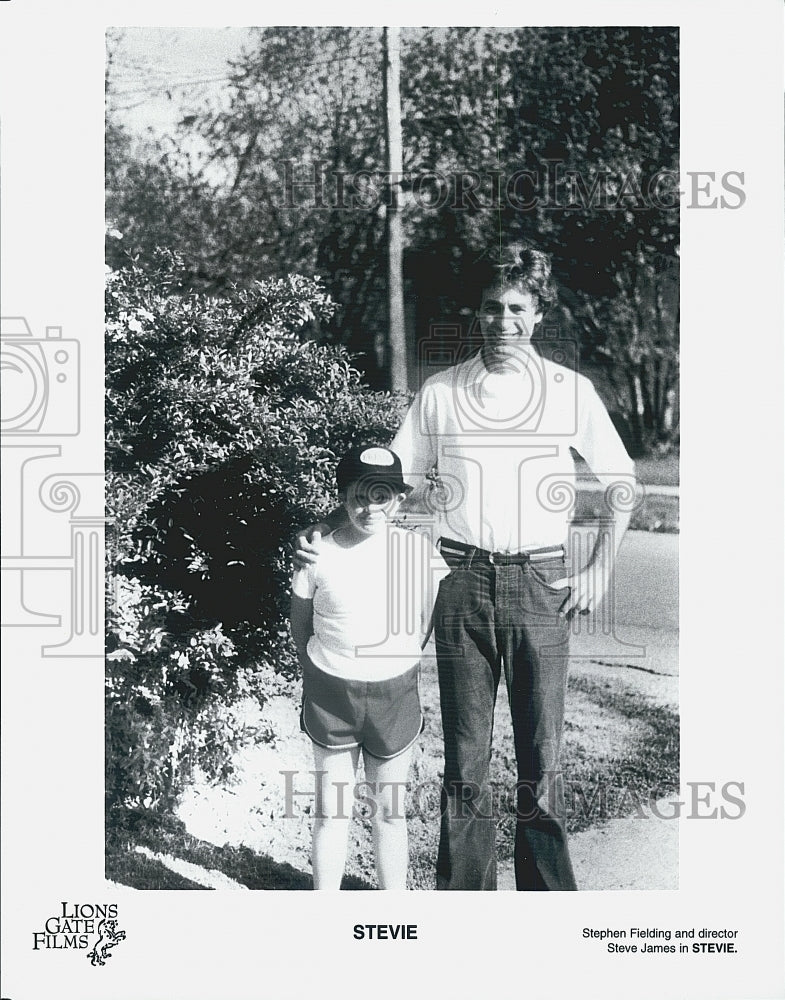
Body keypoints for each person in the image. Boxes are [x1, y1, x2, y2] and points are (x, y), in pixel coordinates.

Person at [295, 242, 635, 890]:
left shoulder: (568, 391)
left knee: (541, 755)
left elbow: (621, 483)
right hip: (460, 581)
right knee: (465, 757)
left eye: (515, 308)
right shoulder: (442, 393)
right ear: (475, 314)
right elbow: (388, 485)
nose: (502, 322)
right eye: (490, 308)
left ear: (537, 314)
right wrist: (327, 529)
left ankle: (546, 898)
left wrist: (599, 568)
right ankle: (464, 902)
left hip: (540, 582)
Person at [290, 444, 448, 890]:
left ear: (398, 499)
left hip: (393, 696)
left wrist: (396, 661)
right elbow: (300, 622)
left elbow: (425, 622)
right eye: (360, 495)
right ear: (343, 495)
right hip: (332, 695)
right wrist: (314, 672)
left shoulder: (417, 553)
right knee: (331, 812)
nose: (370, 506)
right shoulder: (318, 552)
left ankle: (393, 908)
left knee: (390, 814)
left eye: (382, 496)